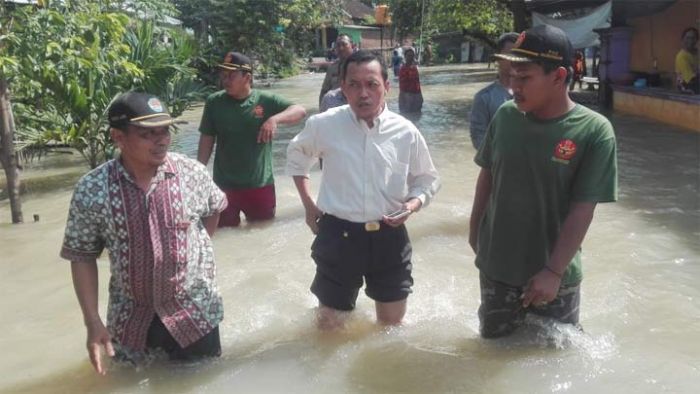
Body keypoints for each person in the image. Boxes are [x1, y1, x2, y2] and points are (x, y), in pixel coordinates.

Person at [60, 92, 229, 374]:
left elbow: (215, 208)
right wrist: (92, 322)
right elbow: (82, 255)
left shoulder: (192, 173)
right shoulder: (92, 189)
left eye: (164, 130)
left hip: (195, 314)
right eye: (147, 134)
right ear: (118, 137)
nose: (161, 140)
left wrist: (196, 251)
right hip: (130, 322)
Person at [469, 25, 618, 339]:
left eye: (525, 78)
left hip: (556, 277)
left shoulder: (594, 131)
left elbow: (583, 208)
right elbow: (488, 175)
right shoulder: (506, 117)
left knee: (553, 363)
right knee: (492, 354)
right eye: (511, 76)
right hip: (498, 269)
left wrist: (553, 271)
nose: (513, 87)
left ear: (559, 76)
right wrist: (475, 234)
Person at [286, 50, 440, 330]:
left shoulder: (405, 131)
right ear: (342, 87)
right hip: (338, 236)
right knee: (329, 325)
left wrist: (412, 205)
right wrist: (309, 205)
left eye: (372, 84)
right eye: (354, 85)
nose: (363, 93)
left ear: (387, 87)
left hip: (390, 236)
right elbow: (297, 158)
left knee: (392, 326)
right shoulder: (324, 125)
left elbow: (427, 179)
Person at [197, 51, 306, 227]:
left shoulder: (265, 100)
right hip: (224, 185)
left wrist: (274, 119)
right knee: (224, 233)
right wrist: (199, 172)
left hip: (259, 185)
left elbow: (300, 110)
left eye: (231, 75)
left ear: (247, 77)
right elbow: (206, 139)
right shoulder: (214, 102)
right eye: (223, 75)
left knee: (263, 231)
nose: (225, 80)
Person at [469, 32, 519, 150]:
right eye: (511, 54)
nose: (516, 59)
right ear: (498, 57)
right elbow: (478, 138)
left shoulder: (533, 93)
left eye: (519, 54)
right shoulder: (484, 97)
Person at [319, 34, 354, 107]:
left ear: (352, 46)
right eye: (338, 45)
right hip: (334, 105)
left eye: (344, 44)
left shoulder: (360, 65)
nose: (341, 48)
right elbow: (324, 90)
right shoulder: (332, 67)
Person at [398, 47, 424, 114]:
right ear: (405, 56)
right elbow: (402, 86)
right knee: (406, 116)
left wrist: (420, 96)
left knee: (417, 115)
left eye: (412, 56)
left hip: (416, 95)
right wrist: (404, 99)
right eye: (409, 55)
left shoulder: (414, 68)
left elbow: (417, 83)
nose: (411, 57)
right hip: (406, 96)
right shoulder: (402, 69)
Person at [675, 27, 699, 94]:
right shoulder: (681, 56)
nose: (690, 41)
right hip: (688, 90)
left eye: (693, 38)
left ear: (697, 40)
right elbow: (691, 80)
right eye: (687, 38)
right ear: (683, 39)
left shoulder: (698, 53)